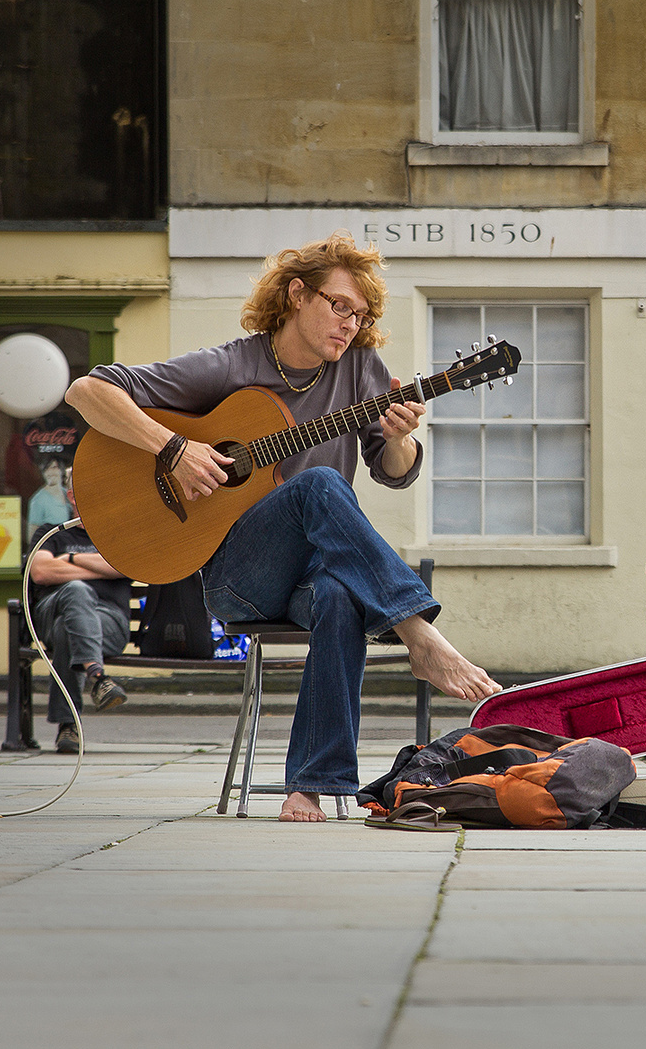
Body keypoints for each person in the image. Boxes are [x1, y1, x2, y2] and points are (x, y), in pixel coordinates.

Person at [65, 232, 500, 823]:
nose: (350, 324)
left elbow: (394, 473)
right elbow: (87, 391)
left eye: (362, 315)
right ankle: (421, 636)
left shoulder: (361, 369)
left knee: (340, 595)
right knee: (321, 485)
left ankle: (311, 785)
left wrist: (398, 438)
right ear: (298, 294)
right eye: (339, 306)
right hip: (238, 578)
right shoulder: (234, 365)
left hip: (314, 575)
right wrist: (172, 448)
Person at [28, 519, 131, 754]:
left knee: (68, 628)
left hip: (109, 622)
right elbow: (41, 572)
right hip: (53, 610)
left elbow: (124, 566)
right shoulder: (51, 533)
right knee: (76, 590)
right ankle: (98, 677)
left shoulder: (120, 533)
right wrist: (100, 568)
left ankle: (68, 725)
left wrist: (70, 558)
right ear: (71, 496)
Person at [27, 458, 73, 530]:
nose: (50, 472)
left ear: (61, 470)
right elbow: (32, 533)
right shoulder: (38, 500)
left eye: (54, 468)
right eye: (46, 469)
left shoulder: (67, 493)